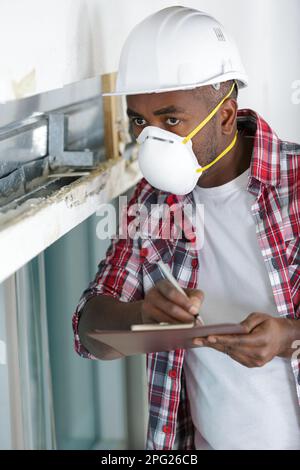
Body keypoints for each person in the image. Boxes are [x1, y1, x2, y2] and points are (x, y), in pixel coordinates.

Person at [72, 6, 300, 450]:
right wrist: (141, 318)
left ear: (226, 116)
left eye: (171, 120)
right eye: (140, 121)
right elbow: (89, 334)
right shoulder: (151, 204)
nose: (152, 139)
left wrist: (288, 336)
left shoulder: (295, 182)